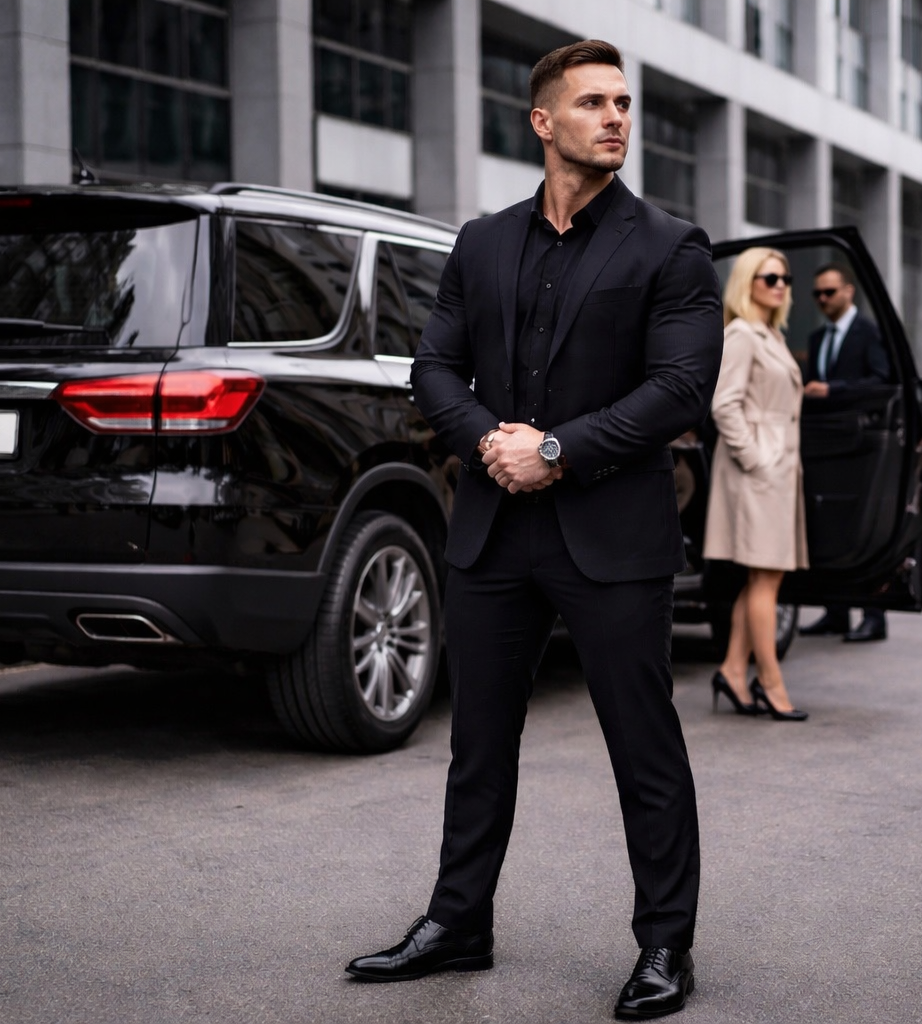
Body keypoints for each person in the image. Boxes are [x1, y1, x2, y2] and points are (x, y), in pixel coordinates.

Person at [344, 40, 723, 1022]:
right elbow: (433, 370)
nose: (617, 118)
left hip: (613, 537)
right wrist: (491, 444)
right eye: (594, 102)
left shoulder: (671, 247)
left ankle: (665, 943)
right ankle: (458, 920)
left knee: (643, 745)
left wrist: (555, 447)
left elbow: (679, 388)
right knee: (478, 742)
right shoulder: (482, 242)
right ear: (542, 122)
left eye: (625, 103)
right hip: (494, 535)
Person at [702, 248, 809, 723]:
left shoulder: (771, 334)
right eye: (771, 277)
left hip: (777, 471)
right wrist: (757, 459)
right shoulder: (742, 333)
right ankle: (771, 681)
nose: (782, 284)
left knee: (764, 578)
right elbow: (724, 405)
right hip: (759, 471)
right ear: (749, 282)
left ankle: (731, 669)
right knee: (766, 579)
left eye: (785, 277)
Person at [797, 263, 893, 643]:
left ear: (849, 292)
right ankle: (836, 612)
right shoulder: (818, 337)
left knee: (864, 524)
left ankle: (874, 615)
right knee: (830, 524)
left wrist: (833, 390)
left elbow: (881, 381)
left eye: (829, 292)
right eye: (817, 293)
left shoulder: (868, 332)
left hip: (861, 443)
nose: (822, 299)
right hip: (825, 442)